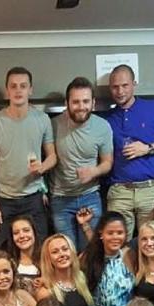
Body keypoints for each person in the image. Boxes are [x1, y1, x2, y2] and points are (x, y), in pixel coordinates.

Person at [105, 64, 154, 238]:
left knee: (152, 243)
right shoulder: (107, 118)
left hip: (150, 189)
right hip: (119, 191)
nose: (120, 91)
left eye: (125, 85)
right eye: (115, 87)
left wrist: (147, 149)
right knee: (116, 244)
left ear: (134, 84)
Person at [0, 66, 56, 246]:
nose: (18, 90)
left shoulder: (42, 119)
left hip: (33, 198)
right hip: (4, 200)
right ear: (7, 90)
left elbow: (53, 156)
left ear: (30, 89)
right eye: (13, 86)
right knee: (2, 251)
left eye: (23, 86)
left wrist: (42, 167)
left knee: (39, 249)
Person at [50, 77, 113, 252]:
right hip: (60, 198)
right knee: (67, 254)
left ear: (93, 103)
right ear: (67, 103)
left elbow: (108, 163)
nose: (81, 106)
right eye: (76, 102)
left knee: (91, 252)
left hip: (90, 196)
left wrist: (93, 171)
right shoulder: (53, 125)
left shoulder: (102, 127)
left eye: (86, 101)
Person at [35, 234, 94, 306]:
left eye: (65, 249)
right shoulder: (45, 292)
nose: (61, 254)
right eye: (55, 252)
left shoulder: (82, 278)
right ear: (48, 259)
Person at [82, 211, 134, 306]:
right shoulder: (89, 257)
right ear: (101, 234)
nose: (115, 237)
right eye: (110, 233)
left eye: (119, 233)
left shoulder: (130, 255)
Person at [6, 215, 43, 297]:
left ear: (34, 232)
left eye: (26, 230)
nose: (21, 236)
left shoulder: (47, 261)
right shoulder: (8, 263)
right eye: (16, 233)